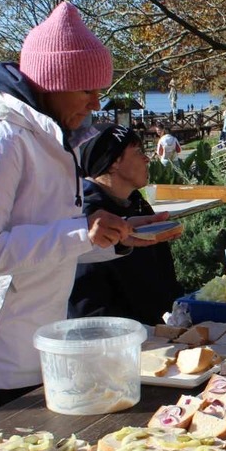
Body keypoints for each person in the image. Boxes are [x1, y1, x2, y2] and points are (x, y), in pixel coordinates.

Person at [0, 2, 168, 418]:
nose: (96, 103)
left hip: (37, 347)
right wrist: (82, 232)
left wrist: (120, 235)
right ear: (52, 82)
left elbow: (54, 239)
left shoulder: (52, 140)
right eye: (87, 90)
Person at [70, 124, 183, 324]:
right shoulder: (88, 218)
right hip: (119, 342)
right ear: (113, 162)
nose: (147, 158)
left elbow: (161, 274)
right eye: (138, 152)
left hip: (159, 331)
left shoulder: (137, 204)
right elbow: (87, 305)